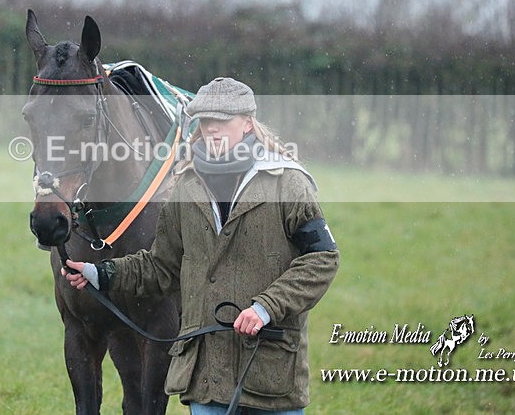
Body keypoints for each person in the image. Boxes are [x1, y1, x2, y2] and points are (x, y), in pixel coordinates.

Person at [64, 77, 339, 414]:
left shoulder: (289, 183)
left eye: (223, 120)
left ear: (248, 124)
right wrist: (100, 272)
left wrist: (266, 307)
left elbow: (322, 259)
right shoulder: (185, 188)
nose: (213, 130)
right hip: (206, 376)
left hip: (270, 368)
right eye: (207, 121)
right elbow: (161, 267)